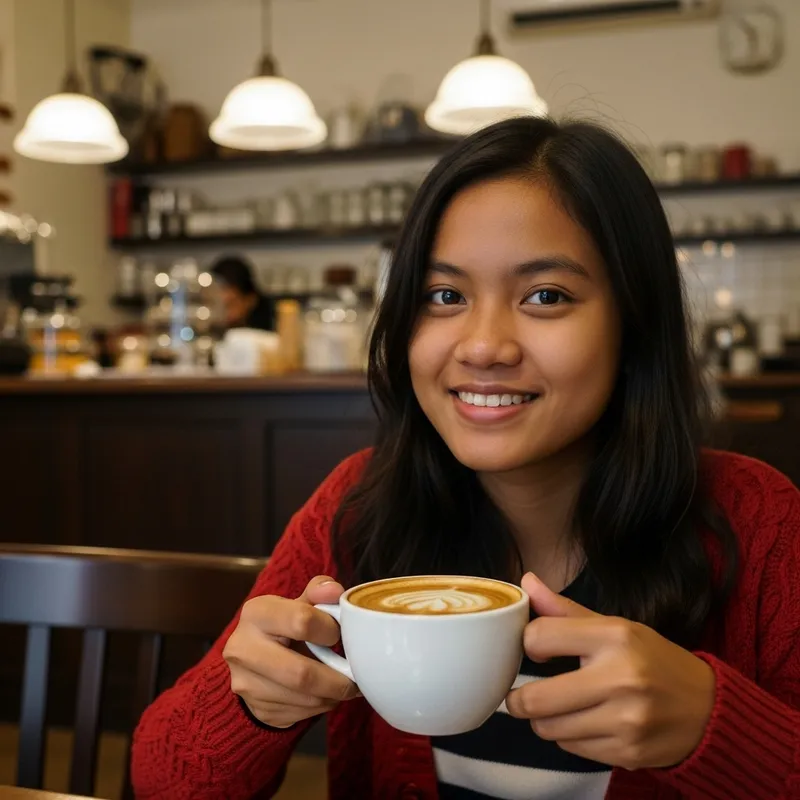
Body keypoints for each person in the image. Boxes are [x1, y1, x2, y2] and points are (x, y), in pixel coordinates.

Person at [131, 118, 800, 800]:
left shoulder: (755, 520)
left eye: (546, 296)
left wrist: (716, 729)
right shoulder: (361, 504)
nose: (482, 347)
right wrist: (250, 707)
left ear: (634, 324)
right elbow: (162, 779)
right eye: (444, 295)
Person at [211, 255, 275, 331]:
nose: (223, 314)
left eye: (230, 305)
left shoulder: (267, 336)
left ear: (250, 300)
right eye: (214, 303)